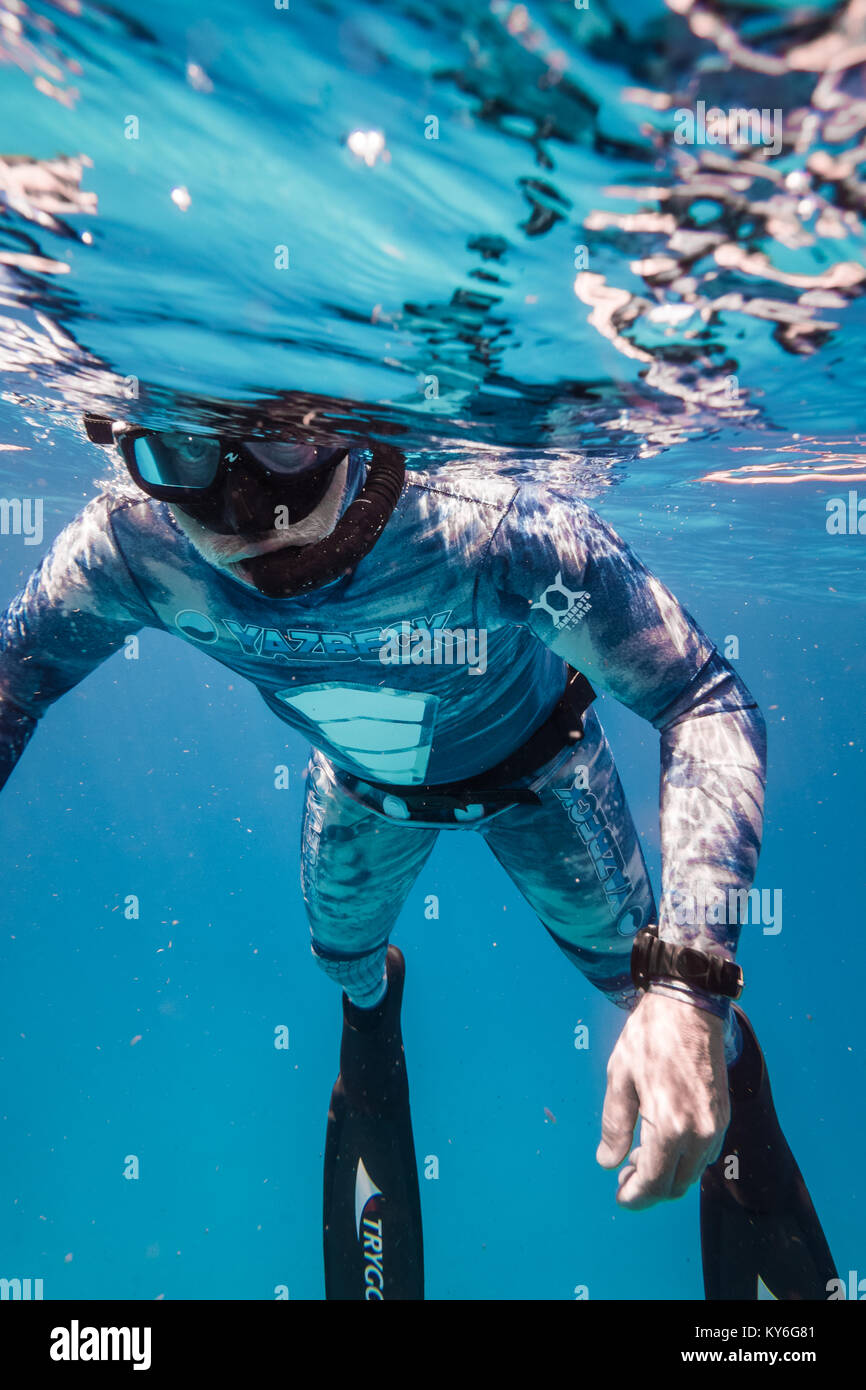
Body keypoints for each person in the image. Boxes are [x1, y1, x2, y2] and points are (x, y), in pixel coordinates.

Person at [0, 417, 837, 1300]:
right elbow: (14, 682)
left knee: (645, 994)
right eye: (185, 452)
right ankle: (371, 1015)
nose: (247, 511)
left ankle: (725, 1072)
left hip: (539, 779)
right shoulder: (132, 540)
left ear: (353, 421)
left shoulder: (493, 526)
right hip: (366, 793)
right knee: (344, 961)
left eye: (281, 440)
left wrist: (691, 987)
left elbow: (701, 695)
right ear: (126, 435)